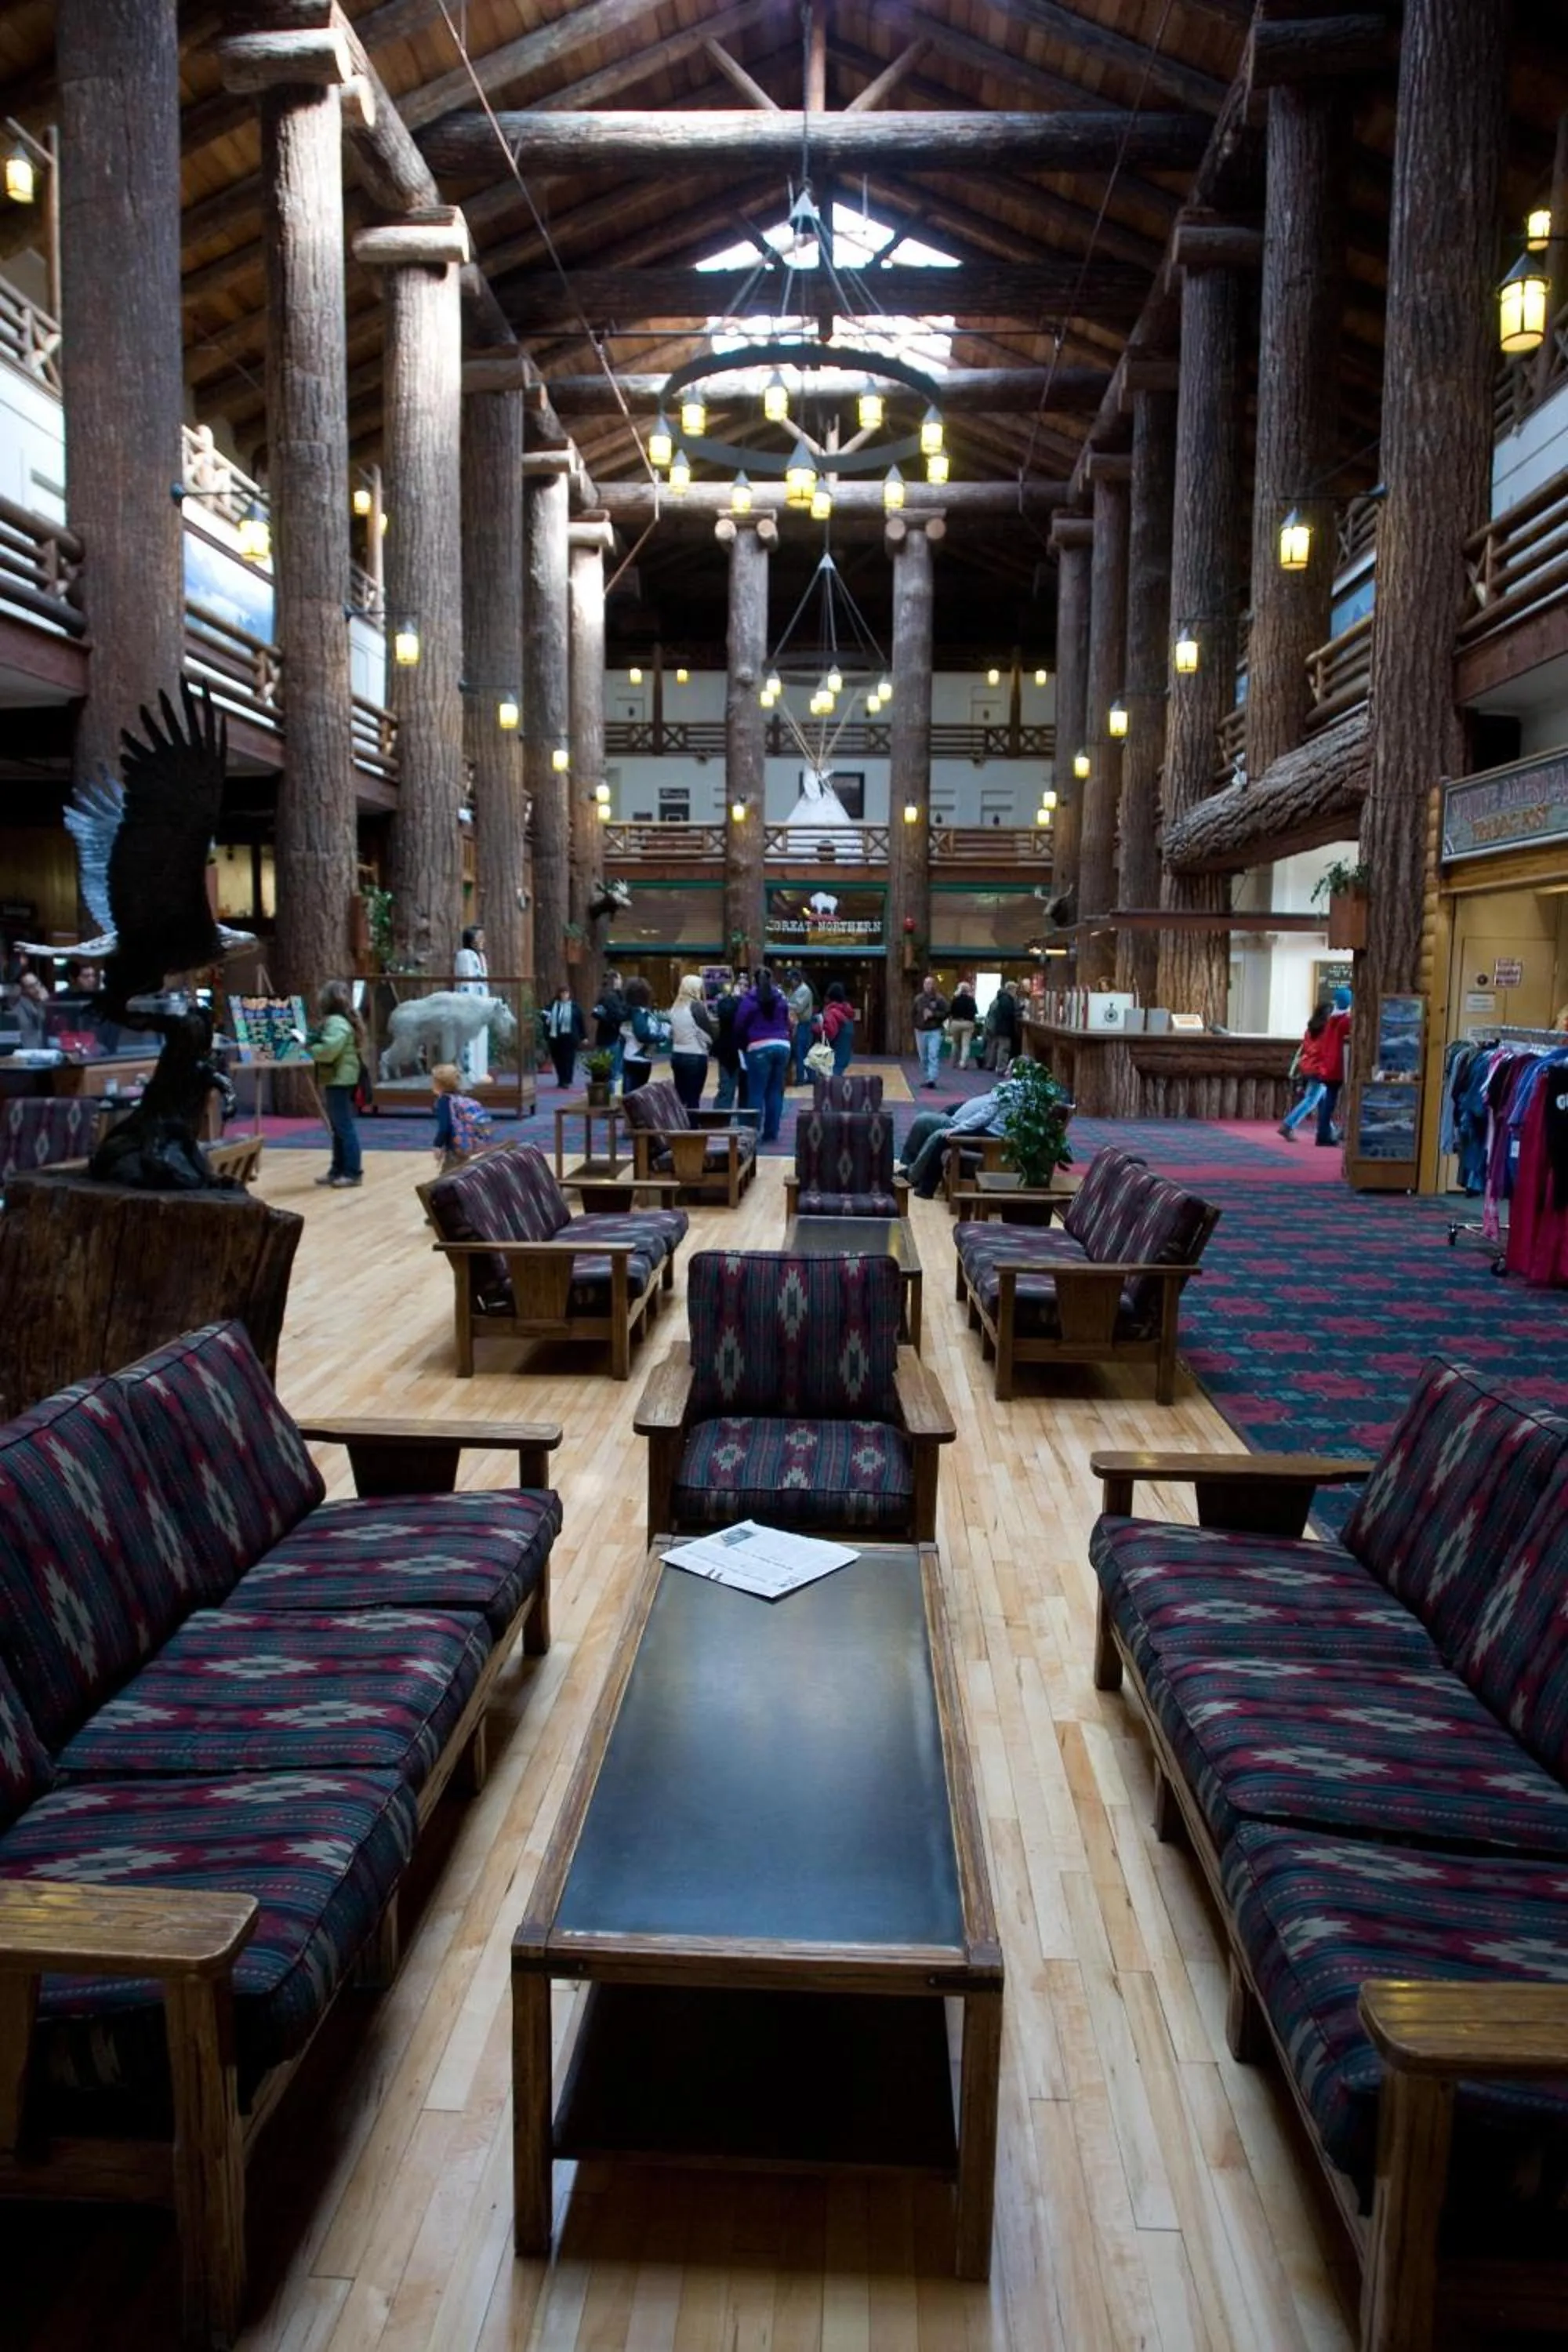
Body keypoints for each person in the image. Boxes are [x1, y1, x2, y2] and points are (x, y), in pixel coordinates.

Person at [898, 1066, 1029, 1199]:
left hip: (981, 1133)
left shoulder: (1008, 1090)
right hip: (966, 1124)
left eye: (1009, 1069)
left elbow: (985, 1116)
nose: (1005, 1072)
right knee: (926, 1123)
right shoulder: (1014, 1090)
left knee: (939, 1135)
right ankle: (911, 1170)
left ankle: (920, 1183)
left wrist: (958, 1129)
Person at [303, 980, 365, 1188]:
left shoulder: (336, 1023)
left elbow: (329, 1051)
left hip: (340, 1079)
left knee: (343, 1126)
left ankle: (352, 1172)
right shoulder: (340, 1021)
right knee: (339, 1127)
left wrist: (308, 1049)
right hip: (340, 1078)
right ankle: (337, 1169)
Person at [733, 964, 792, 1142]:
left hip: (759, 1046)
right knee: (775, 1091)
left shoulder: (750, 1000)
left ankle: (752, 1131)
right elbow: (787, 1022)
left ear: (754, 981)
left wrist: (743, 1043)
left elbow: (739, 1024)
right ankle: (771, 1132)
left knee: (756, 1092)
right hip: (782, 1045)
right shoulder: (781, 999)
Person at [1279, 1004, 1331, 1141]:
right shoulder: (1328, 1031)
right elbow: (1326, 1051)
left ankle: (1329, 1130)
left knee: (1323, 1100)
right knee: (1311, 1100)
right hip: (1321, 1068)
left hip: (1309, 1066)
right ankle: (1288, 1125)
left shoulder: (1310, 1029)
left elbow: (1307, 1048)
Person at [430, 1062, 491, 1173]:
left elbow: (445, 1127)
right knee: (462, 1172)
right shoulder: (458, 1097)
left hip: (454, 1147)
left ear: (439, 1084)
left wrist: (437, 1145)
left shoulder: (444, 1101)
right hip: (465, 1143)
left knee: (448, 1177)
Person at [667, 972, 713, 1110]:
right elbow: (708, 1035)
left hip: (677, 1055)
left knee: (681, 1098)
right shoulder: (696, 1006)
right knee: (693, 1100)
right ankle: (692, 1123)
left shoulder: (674, 1008)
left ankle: (680, 1123)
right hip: (695, 1055)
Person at [1316, 985, 1352, 1146]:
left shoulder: (1332, 1019)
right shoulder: (1346, 1021)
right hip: (1338, 1065)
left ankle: (1323, 1132)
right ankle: (1324, 1134)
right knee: (1331, 1102)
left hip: (1328, 1064)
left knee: (1328, 1101)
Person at [454, 924, 489, 1083]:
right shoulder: (465, 956)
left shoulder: (481, 957)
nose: (483, 941)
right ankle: (467, 1074)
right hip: (469, 1007)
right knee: (469, 1042)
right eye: (479, 937)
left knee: (481, 1039)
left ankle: (480, 1073)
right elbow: (465, 983)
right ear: (471, 940)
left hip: (481, 1007)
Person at [621, 975, 661, 1095]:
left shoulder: (631, 1011)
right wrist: (661, 1037)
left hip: (634, 1056)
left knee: (632, 1093)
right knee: (635, 1095)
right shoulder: (638, 1012)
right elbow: (642, 1034)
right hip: (637, 1058)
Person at [711, 984, 747, 1112]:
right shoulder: (743, 1006)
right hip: (742, 1049)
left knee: (726, 1089)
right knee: (745, 1090)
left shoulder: (723, 1006)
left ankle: (720, 1118)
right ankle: (745, 1119)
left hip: (725, 1051)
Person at [543, 983, 584, 1088]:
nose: (565, 995)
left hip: (569, 1037)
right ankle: (561, 1079)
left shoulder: (574, 1007)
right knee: (558, 1059)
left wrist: (584, 1036)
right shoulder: (553, 1005)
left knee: (568, 1059)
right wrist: (546, 1019)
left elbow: (580, 1022)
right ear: (559, 994)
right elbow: (544, 1016)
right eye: (563, 993)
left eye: (566, 993)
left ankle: (567, 1080)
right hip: (555, 1037)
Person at [912, 973, 949, 1088]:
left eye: (930, 983)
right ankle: (927, 1076)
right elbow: (913, 1013)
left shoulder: (940, 999)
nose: (928, 986)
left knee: (933, 1054)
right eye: (926, 983)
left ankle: (931, 1079)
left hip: (934, 1030)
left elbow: (947, 1012)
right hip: (920, 1030)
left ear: (934, 985)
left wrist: (934, 1014)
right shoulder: (918, 999)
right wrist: (916, 1024)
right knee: (923, 1057)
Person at [592, 969, 626, 1085]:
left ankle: (605, 1092)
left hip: (603, 1036)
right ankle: (612, 1093)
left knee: (604, 1069)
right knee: (614, 1071)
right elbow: (618, 1015)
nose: (621, 981)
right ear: (615, 980)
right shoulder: (612, 997)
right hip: (613, 1037)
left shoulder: (603, 994)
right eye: (620, 978)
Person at [821, 980, 857, 1075]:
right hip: (846, 1052)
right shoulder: (847, 1011)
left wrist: (816, 1029)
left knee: (833, 1078)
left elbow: (829, 1032)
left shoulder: (832, 1012)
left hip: (835, 1053)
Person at [786, 967, 815, 1085]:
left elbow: (798, 1008)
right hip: (797, 1024)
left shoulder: (804, 990)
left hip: (804, 1024)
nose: (790, 982)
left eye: (792, 980)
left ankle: (801, 1079)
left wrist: (785, 1004)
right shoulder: (793, 990)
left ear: (797, 979)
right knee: (802, 1051)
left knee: (801, 1051)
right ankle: (810, 1077)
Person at [984, 982, 1019, 1073]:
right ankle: (1001, 1068)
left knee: (995, 1046)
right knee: (1004, 1048)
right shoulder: (1007, 1000)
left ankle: (991, 1064)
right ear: (1012, 989)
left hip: (997, 1027)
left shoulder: (1000, 999)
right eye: (1015, 990)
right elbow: (1008, 1013)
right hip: (1005, 1028)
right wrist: (1017, 1013)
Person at [947, 975, 978, 1071]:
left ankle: (953, 1062)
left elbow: (950, 1012)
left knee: (955, 1043)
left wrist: (949, 1025)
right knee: (965, 1045)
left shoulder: (955, 999)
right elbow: (974, 1012)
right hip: (968, 1023)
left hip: (956, 1023)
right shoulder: (971, 1000)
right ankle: (963, 1063)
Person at [13, 969, 49, 1048]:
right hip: (30, 1050)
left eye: (37, 983)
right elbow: (41, 1021)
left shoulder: (40, 1003)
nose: (37, 989)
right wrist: (42, 1003)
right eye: (31, 986)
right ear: (23, 990)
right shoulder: (19, 1009)